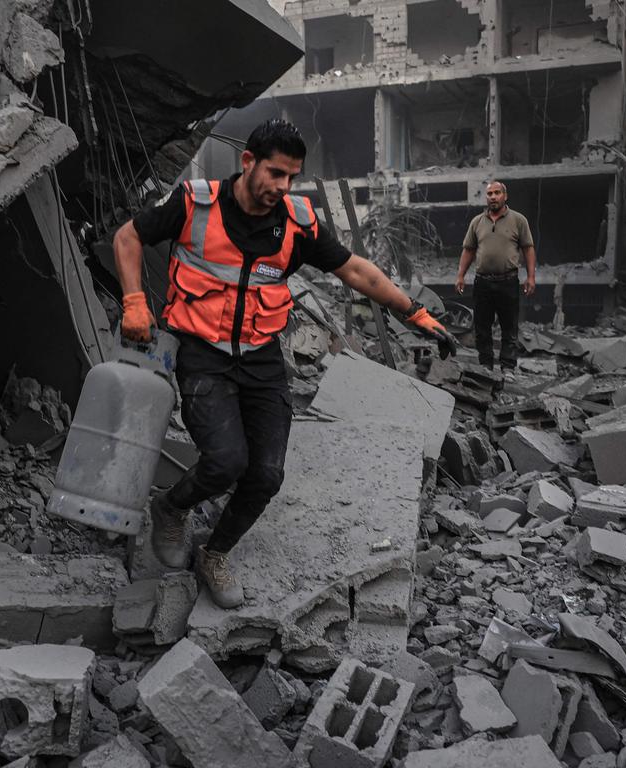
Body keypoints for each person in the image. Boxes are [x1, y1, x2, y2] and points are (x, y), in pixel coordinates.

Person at [113, 119, 455, 609]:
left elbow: (354, 269)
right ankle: (170, 508)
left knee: (266, 475)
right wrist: (133, 301)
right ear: (247, 161)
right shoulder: (195, 203)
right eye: (275, 172)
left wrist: (414, 312)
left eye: (291, 177)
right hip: (203, 356)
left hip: (262, 359)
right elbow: (128, 238)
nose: (282, 186)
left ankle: (216, 551)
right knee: (226, 461)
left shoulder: (297, 223)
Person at [454, 181, 536, 372]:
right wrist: (460, 275)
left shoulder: (518, 220)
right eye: (489, 193)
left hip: (508, 281)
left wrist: (531, 277)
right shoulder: (477, 222)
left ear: (505, 196)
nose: (493, 196)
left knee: (509, 327)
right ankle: (486, 366)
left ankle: (507, 367)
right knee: (482, 328)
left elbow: (528, 249)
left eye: (497, 193)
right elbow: (468, 250)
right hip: (482, 282)